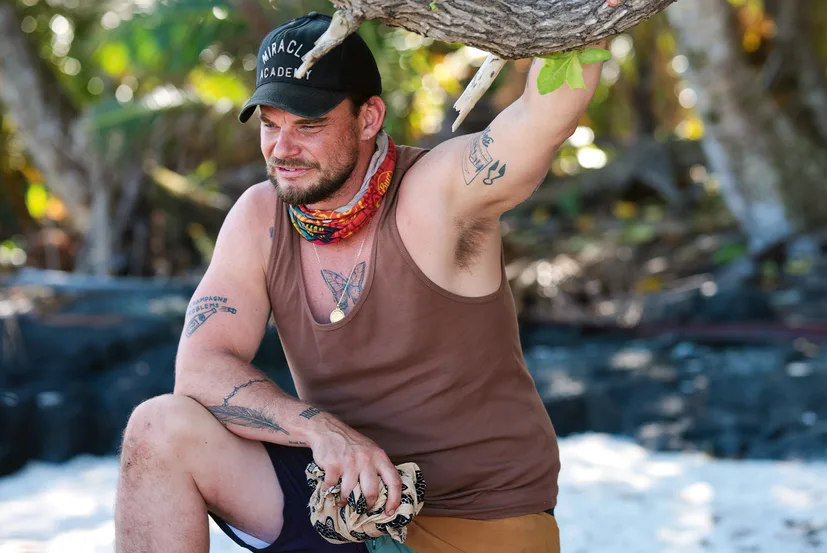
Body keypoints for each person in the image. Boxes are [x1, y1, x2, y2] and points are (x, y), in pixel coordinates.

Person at [114, 10, 607, 553]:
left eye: (308, 125)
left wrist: (582, 19)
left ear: (369, 117)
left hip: (477, 518)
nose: (282, 148)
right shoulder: (261, 218)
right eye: (270, 125)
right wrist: (319, 430)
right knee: (157, 429)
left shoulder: (438, 194)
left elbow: (543, 117)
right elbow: (201, 369)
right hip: (347, 506)